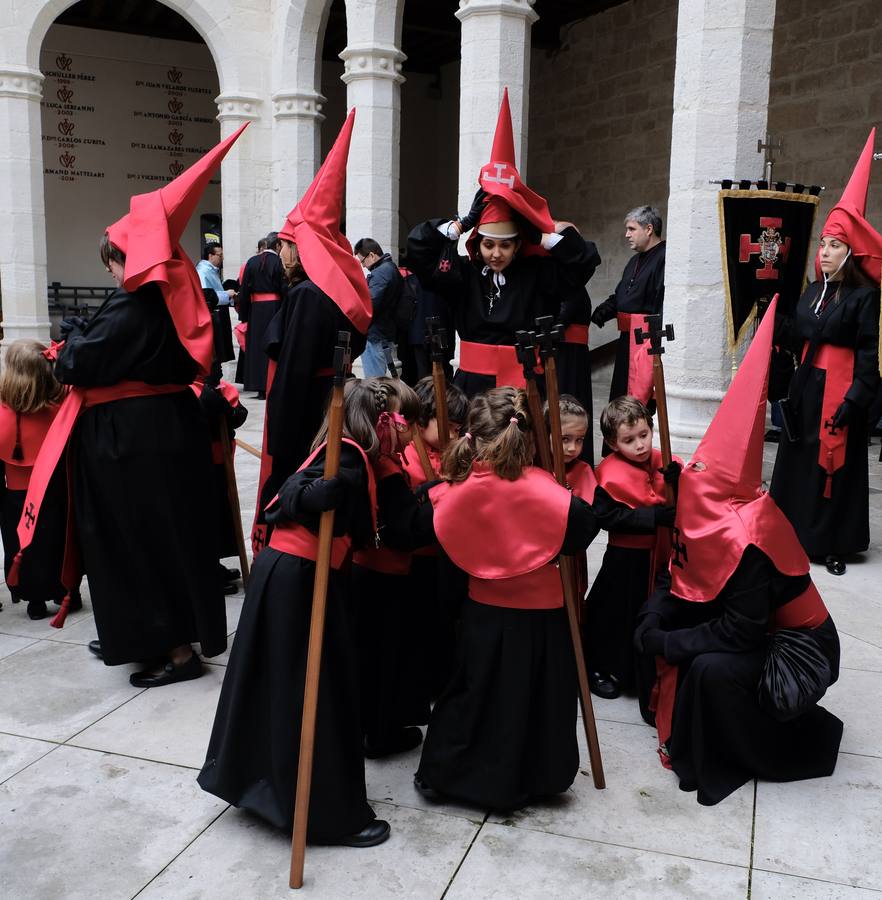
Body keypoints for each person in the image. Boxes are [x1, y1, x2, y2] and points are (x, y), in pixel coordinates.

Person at [16, 127, 247, 682]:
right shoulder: (164, 297)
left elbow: (73, 363)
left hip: (128, 443)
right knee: (161, 538)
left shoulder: (135, 305)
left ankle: (173, 652)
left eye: (113, 261)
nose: (111, 272)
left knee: (134, 543)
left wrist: (71, 344)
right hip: (156, 435)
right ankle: (146, 637)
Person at [199, 377, 427, 846]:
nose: (412, 433)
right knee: (317, 690)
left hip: (293, 574)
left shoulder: (354, 453)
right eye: (407, 422)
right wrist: (311, 497)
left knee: (290, 682)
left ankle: (266, 784)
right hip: (301, 577)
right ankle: (326, 815)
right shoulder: (346, 455)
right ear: (383, 422)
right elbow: (284, 498)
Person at [635, 296, 842, 806]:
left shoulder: (750, 537)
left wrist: (669, 643)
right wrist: (654, 615)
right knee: (671, 633)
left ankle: (739, 753)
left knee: (709, 667)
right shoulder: (706, 509)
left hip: (798, 646)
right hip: (755, 627)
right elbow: (679, 576)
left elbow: (740, 631)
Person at [413, 387, 601, 811]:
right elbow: (584, 530)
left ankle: (457, 775)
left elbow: (419, 525)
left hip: (483, 615)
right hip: (543, 619)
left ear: (473, 438)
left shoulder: (455, 490)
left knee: (475, 696)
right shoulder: (548, 489)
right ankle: (538, 776)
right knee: (534, 700)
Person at [407, 89, 599, 398]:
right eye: (489, 245)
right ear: (477, 244)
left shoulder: (537, 274)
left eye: (506, 246)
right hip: (471, 388)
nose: (496, 254)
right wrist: (460, 224)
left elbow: (584, 260)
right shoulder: (463, 275)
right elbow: (418, 252)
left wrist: (539, 235)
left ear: (518, 245)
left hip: (523, 389)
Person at [251, 111, 370, 556]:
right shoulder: (337, 293)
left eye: (285, 242)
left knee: (296, 489)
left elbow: (294, 373)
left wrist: (278, 442)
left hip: (303, 413)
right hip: (331, 402)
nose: (280, 251)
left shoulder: (306, 297)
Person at [770, 130, 881, 576]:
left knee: (832, 468)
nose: (826, 251)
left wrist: (856, 401)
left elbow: (872, 356)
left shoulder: (864, 297)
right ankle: (793, 531)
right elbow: (797, 335)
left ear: (851, 252)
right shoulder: (813, 291)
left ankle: (829, 542)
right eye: (824, 244)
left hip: (842, 391)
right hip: (807, 388)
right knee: (798, 460)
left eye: (835, 245)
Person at [585, 397, 675, 706]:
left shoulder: (663, 460)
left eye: (644, 435)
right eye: (628, 440)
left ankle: (646, 671)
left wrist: (680, 483)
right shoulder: (607, 474)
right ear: (612, 443)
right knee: (617, 616)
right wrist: (652, 518)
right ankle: (609, 668)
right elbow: (607, 517)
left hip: (660, 556)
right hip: (626, 561)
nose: (640, 445)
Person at [400, 376, 469, 697]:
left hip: (449, 555)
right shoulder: (408, 454)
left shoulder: (450, 451)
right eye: (450, 426)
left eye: (459, 428)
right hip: (419, 559)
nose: (455, 434)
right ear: (424, 417)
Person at [0, 340, 73, 620]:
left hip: (17, 496)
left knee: (22, 546)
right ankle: (66, 591)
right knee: (58, 542)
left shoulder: (3, 412)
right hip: (56, 490)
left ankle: (34, 602)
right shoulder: (61, 407)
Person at [590, 206, 666, 441]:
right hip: (626, 340)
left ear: (649, 228)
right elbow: (623, 295)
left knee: (637, 399)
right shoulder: (634, 260)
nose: (627, 234)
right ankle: (617, 447)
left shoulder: (664, 257)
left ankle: (634, 445)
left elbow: (660, 302)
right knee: (620, 398)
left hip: (643, 342)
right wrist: (606, 310)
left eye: (632, 229)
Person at [194, 376, 248, 595]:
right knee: (203, 516)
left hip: (218, 460)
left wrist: (222, 400)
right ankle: (204, 571)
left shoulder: (215, 387)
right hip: (196, 462)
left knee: (219, 514)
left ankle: (212, 564)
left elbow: (238, 415)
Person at [238, 232, 284, 398]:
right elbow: (284, 288)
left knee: (257, 346)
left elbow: (244, 292)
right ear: (277, 246)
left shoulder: (251, 262)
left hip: (256, 310)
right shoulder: (279, 262)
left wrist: (244, 315)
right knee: (273, 343)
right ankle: (272, 383)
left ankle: (259, 387)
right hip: (275, 308)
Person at [354, 238, 403, 377]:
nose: (363, 266)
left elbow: (369, 305)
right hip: (385, 333)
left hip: (376, 336)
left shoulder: (380, 273)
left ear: (372, 255)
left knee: (374, 384)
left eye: (363, 261)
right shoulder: (391, 268)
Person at [197, 242, 236, 364]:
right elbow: (206, 295)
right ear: (210, 256)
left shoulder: (211, 270)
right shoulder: (203, 271)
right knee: (214, 355)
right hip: (213, 317)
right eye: (220, 255)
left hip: (218, 315)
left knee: (218, 356)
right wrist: (227, 294)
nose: (222, 258)